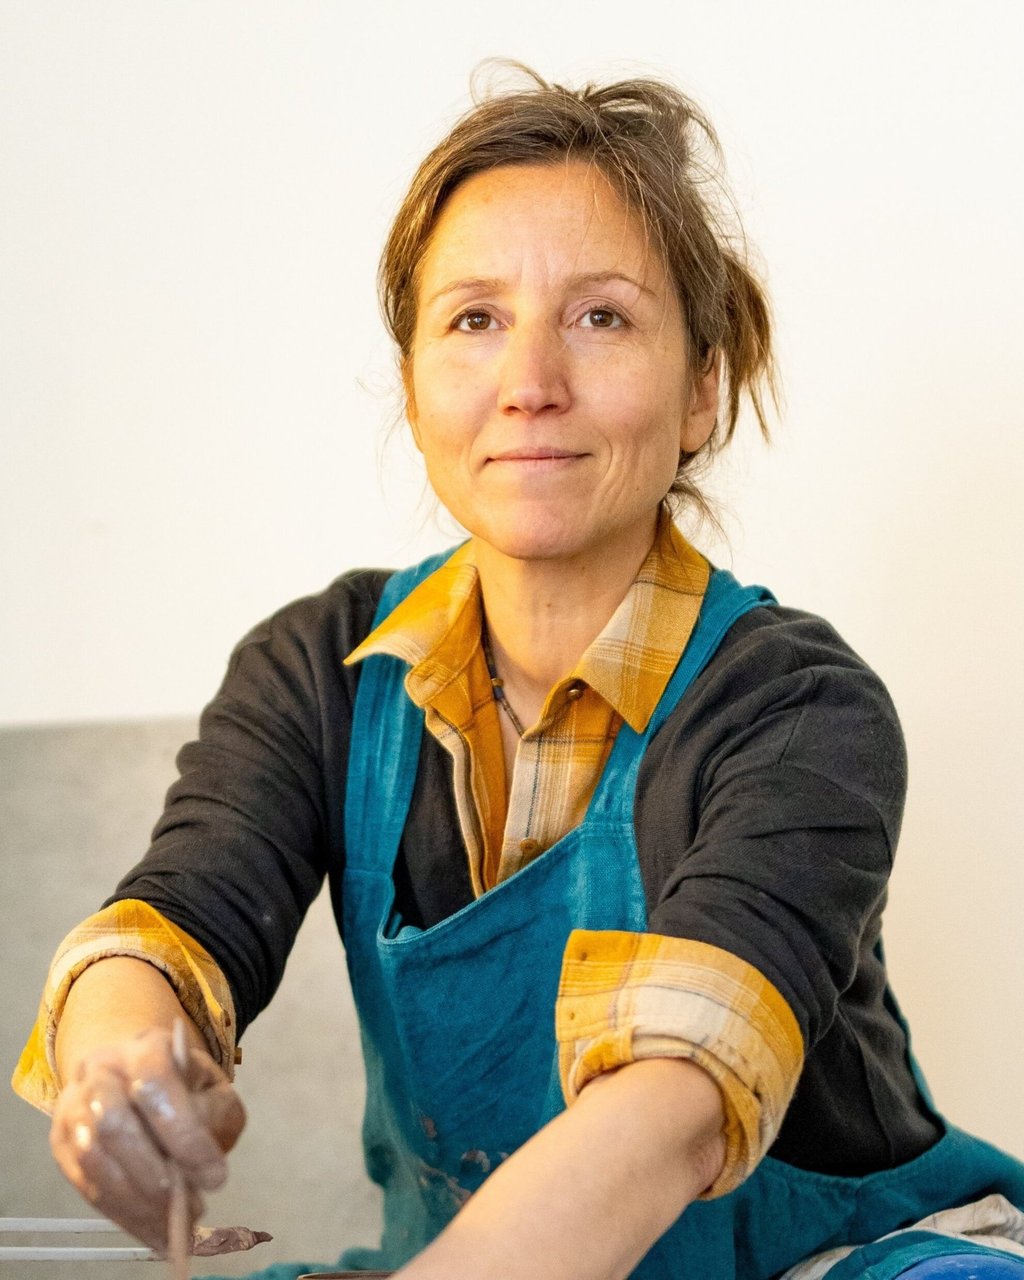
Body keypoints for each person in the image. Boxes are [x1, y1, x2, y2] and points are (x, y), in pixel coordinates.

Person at [13, 64, 1024, 1280]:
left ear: (702, 388)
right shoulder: (320, 669)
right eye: (474, 320)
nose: (529, 383)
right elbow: (178, 913)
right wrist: (121, 1060)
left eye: (601, 317)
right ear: (411, 383)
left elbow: (672, 1112)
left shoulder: (801, 709)